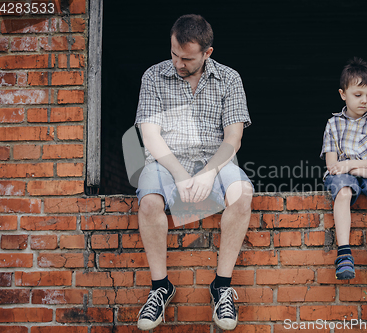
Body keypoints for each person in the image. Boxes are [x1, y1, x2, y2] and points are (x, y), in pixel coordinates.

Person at [134, 14, 253, 331]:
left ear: (207, 53)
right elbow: (150, 135)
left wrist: (207, 174)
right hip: (165, 161)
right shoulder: (153, 76)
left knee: (242, 196)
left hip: (216, 160)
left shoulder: (229, 79)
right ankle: (160, 287)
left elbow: (233, 138)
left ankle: (222, 286)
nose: (177, 62)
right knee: (148, 202)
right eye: (173, 53)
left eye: (186, 58)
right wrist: (180, 174)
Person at [320, 57, 367, 280]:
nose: (364, 101)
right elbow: (333, 165)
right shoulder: (333, 124)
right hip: (344, 174)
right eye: (358, 95)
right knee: (343, 192)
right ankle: (344, 254)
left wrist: (352, 166)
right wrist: (358, 170)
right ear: (343, 94)